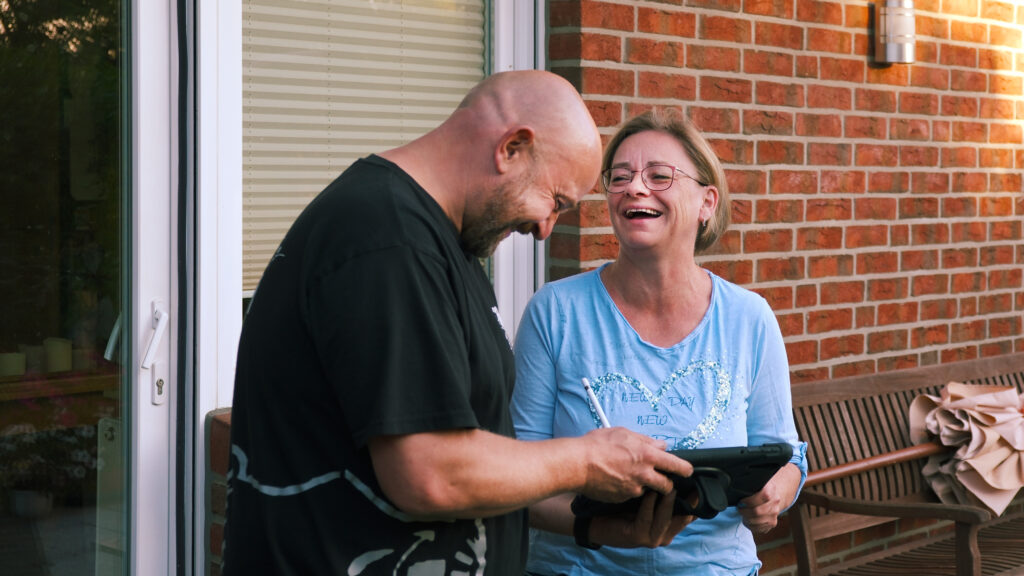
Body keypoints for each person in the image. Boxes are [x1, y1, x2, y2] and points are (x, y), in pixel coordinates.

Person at [220, 71, 694, 576]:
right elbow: (429, 473)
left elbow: (476, 456)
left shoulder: (442, 243)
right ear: (512, 147)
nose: (543, 229)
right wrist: (585, 461)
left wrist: (591, 528)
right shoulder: (386, 241)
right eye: (554, 201)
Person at [510, 110, 808, 575]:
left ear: (707, 201)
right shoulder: (555, 313)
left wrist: (778, 493)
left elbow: (785, 455)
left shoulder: (750, 319)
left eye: (659, 176)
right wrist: (608, 531)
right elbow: (519, 482)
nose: (634, 188)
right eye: (620, 176)